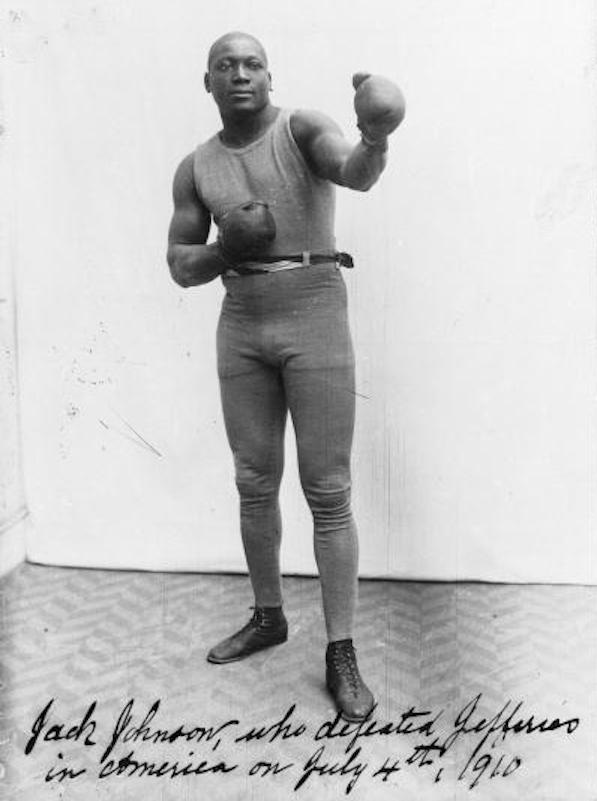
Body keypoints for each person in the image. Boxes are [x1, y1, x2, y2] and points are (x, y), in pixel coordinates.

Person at [167, 31, 405, 723]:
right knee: (252, 479)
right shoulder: (194, 166)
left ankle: (341, 650)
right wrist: (223, 248)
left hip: (313, 316)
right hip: (240, 323)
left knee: (327, 490)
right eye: (224, 66)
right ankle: (268, 616)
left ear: (270, 75)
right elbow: (180, 265)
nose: (238, 74)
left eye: (251, 64)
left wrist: (375, 132)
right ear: (206, 81)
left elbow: (355, 172)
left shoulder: (300, 127)